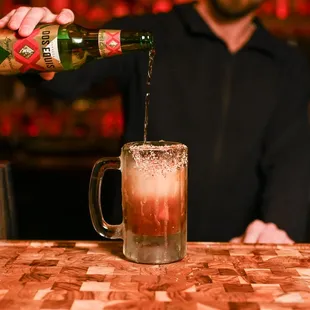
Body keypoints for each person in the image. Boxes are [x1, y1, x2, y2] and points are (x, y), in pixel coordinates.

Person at [1, 0, 310, 244]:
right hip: (141, 249)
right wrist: (37, 48)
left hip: (231, 252)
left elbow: (291, 158)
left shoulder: (286, 64)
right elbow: (67, 82)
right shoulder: (147, 33)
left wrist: (279, 227)